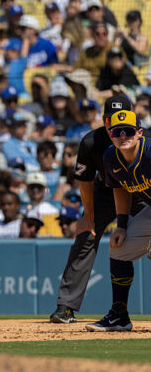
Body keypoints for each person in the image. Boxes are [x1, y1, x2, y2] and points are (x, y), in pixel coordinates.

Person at [49, 96, 142, 324]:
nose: (118, 128)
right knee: (85, 235)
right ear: (104, 120)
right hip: (106, 191)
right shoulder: (92, 142)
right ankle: (66, 307)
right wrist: (88, 217)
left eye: (124, 121)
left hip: (142, 190)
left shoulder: (144, 138)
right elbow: (86, 181)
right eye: (111, 120)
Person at [78, 109, 151, 332]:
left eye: (128, 131)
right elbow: (119, 187)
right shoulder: (111, 156)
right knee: (119, 249)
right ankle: (119, 315)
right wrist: (121, 225)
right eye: (116, 131)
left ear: (139, 132)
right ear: (110, 133)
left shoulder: (150, 152)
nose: (122, 136)